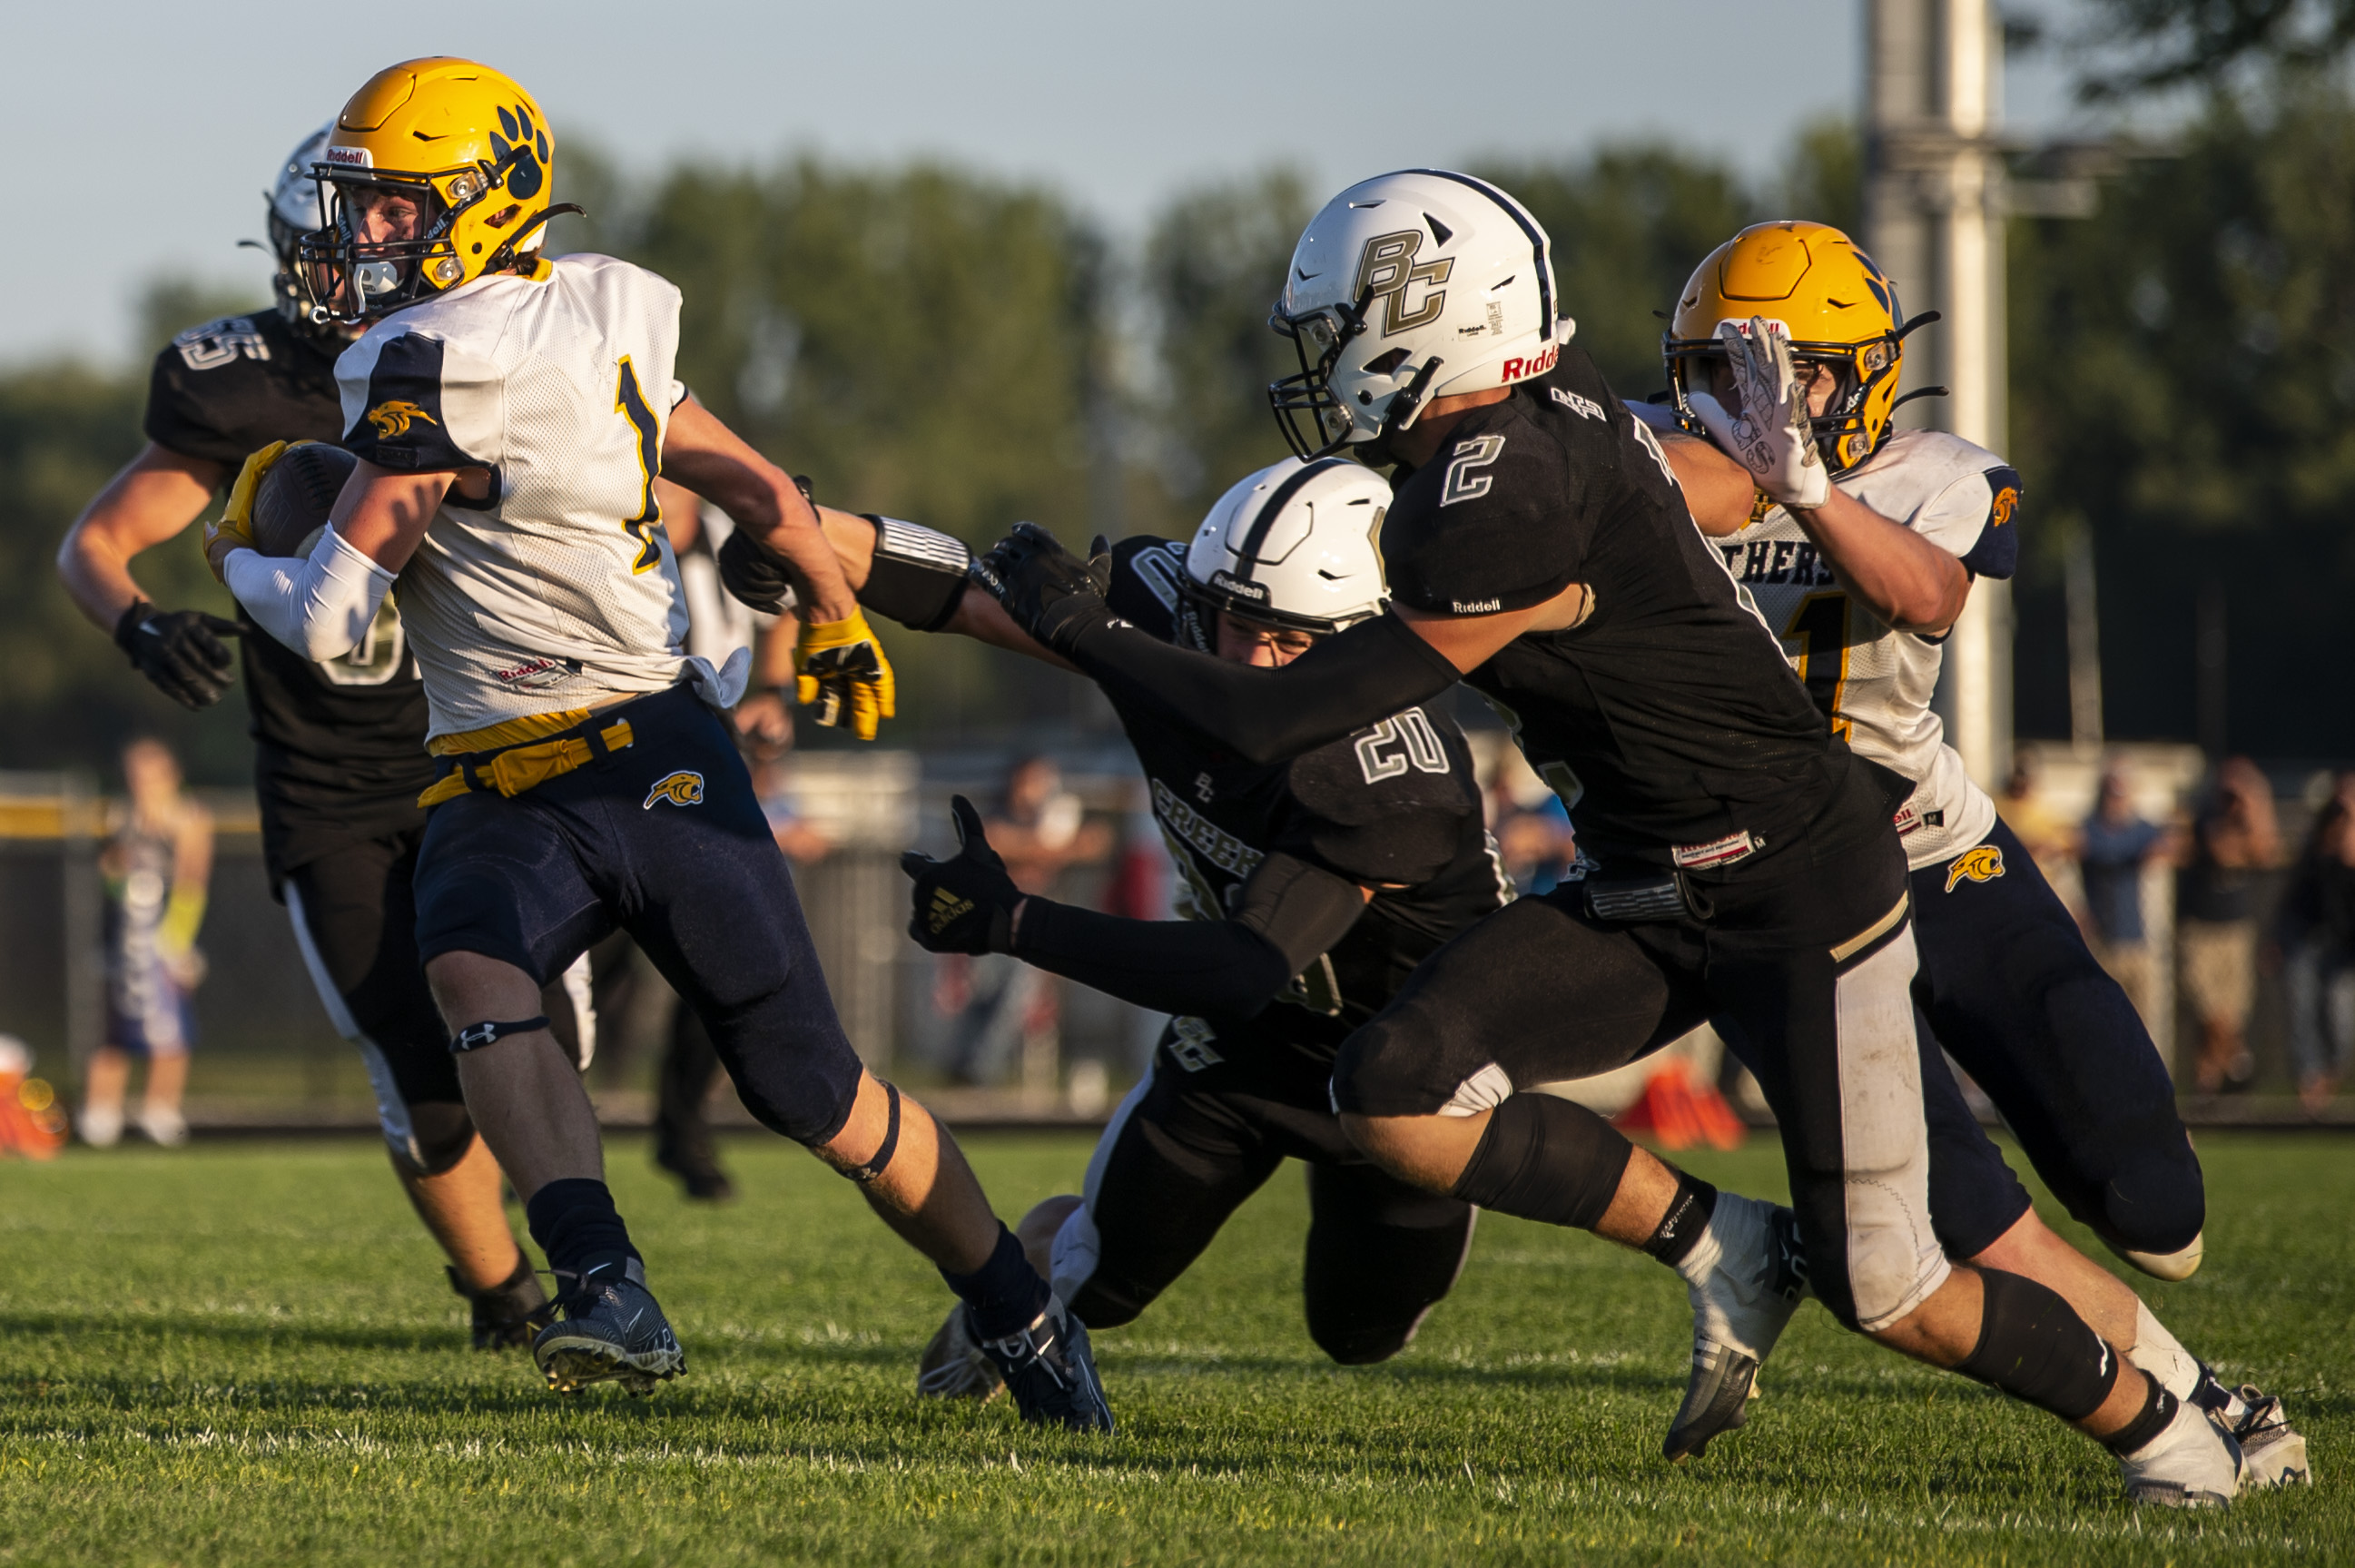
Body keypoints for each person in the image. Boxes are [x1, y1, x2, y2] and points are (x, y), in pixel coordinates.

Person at [979, 171, 2242, 1502]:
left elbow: (1293, 710)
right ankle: (1732, 1245)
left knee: (1893, 1283)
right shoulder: (1543, 437)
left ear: (1426, 327)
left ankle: (2161, 1427)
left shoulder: (1504, 486)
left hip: (1794, 889)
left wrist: (1086, 632)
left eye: (1340, 322)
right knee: (1389, 1080)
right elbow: (1695, 492)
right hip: (1645, 884)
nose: (1322, 356)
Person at [213, 57, 1107, 1428]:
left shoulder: (423, 358)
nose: (359, 239)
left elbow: (331, 621)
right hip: (506, 770)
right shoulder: (600, 304)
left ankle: (1013, 1302)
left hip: (640, 744)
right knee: (470, 969)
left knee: (813, 1088)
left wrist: (239, 554)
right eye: (361, 209)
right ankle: (605, 1283)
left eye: (392, 211)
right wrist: (826, 604)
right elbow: (745, 474)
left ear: (475, 202)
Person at [1653, 219, 2301, 1488]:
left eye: (1786, 375)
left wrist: (1804, 487)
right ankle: (2199, 1401)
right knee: (1960, 1208)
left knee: (2152, 1202)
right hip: (1781, 903)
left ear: (1865, 372)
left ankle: (2179, 1353)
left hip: (1939, 858)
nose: (1750, 403)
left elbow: (1928, 593)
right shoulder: (1650, 463)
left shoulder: (1936, 471)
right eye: (1722, 372)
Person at [754, 459, 1513, 1394]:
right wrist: (798, 526)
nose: (1254, 663)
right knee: (1093, 1278)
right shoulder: (1166, 610)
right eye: (1240, 625)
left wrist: (1017, 921)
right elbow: (970, 594)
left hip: (1402, 1056)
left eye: (1291, 641)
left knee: (1359, 1329)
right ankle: (1021, 1276)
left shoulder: (1392, 774)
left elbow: (1239, 962)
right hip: (1252, 1042)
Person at [54, 124, 572, 1348]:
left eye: (381, 226)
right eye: (334, 237)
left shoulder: (480, 350)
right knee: (419, 1068)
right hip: (327, 783)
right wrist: (136, 626)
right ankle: (507, 1298)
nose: (354, 258)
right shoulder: (244, 384)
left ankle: (586, 1255)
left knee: (541, 1028)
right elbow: (94, 541)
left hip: (477, 751)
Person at [939, 756, 1109, 1089]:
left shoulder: (1050, 818)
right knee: (981, 993)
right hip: (986, 919)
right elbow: (999, 842)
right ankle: (966, 1066)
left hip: (1024, 923)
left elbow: (1096, 842)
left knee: (1013, 997)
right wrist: (1053, 848)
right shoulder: (997, 815)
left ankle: (976, 1070)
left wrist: (1055, 845)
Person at [81, 738, 212, 1149]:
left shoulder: (189, 818)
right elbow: (110, 875)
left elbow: (193, 883)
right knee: (111, 1028)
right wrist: (120, 880)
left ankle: (161, 1109)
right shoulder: (121, 816)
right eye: (136, 775)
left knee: (170, 1026)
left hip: (166, 933)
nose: (142, 784)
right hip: (124, 936)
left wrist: (176, 940)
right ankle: (101, 1113)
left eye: (151, 775)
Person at [2175, 758, 2282, 1094]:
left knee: (2232, 1010)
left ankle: (2209, 1086)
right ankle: (2238, 1059)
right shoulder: (2207, 813)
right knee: (2208, 1009)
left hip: (2235, 927)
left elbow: (2265, 852)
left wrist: (2256, 807)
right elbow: (2222, 852)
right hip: (2200, 926)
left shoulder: (2249, 817)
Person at [2076, 764, 2175, 1033]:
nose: (2116, 802)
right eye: (2112, 794)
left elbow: (2168, 844)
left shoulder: (2142, 829)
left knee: (2143, 1024)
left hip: (2139, 942)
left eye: (2121, 795)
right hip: (2102, 943)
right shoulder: (2090, 829)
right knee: (2104, 1024)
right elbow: (2092, 851)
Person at [2281, 774, 2355, 1111]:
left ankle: (2330, 1076)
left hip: (2345, 946)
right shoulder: (2317, 844)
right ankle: (2311, 1088)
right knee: (2303, 1010)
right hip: (2310, 939)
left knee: (2341, 1017)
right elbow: (2296, 894)